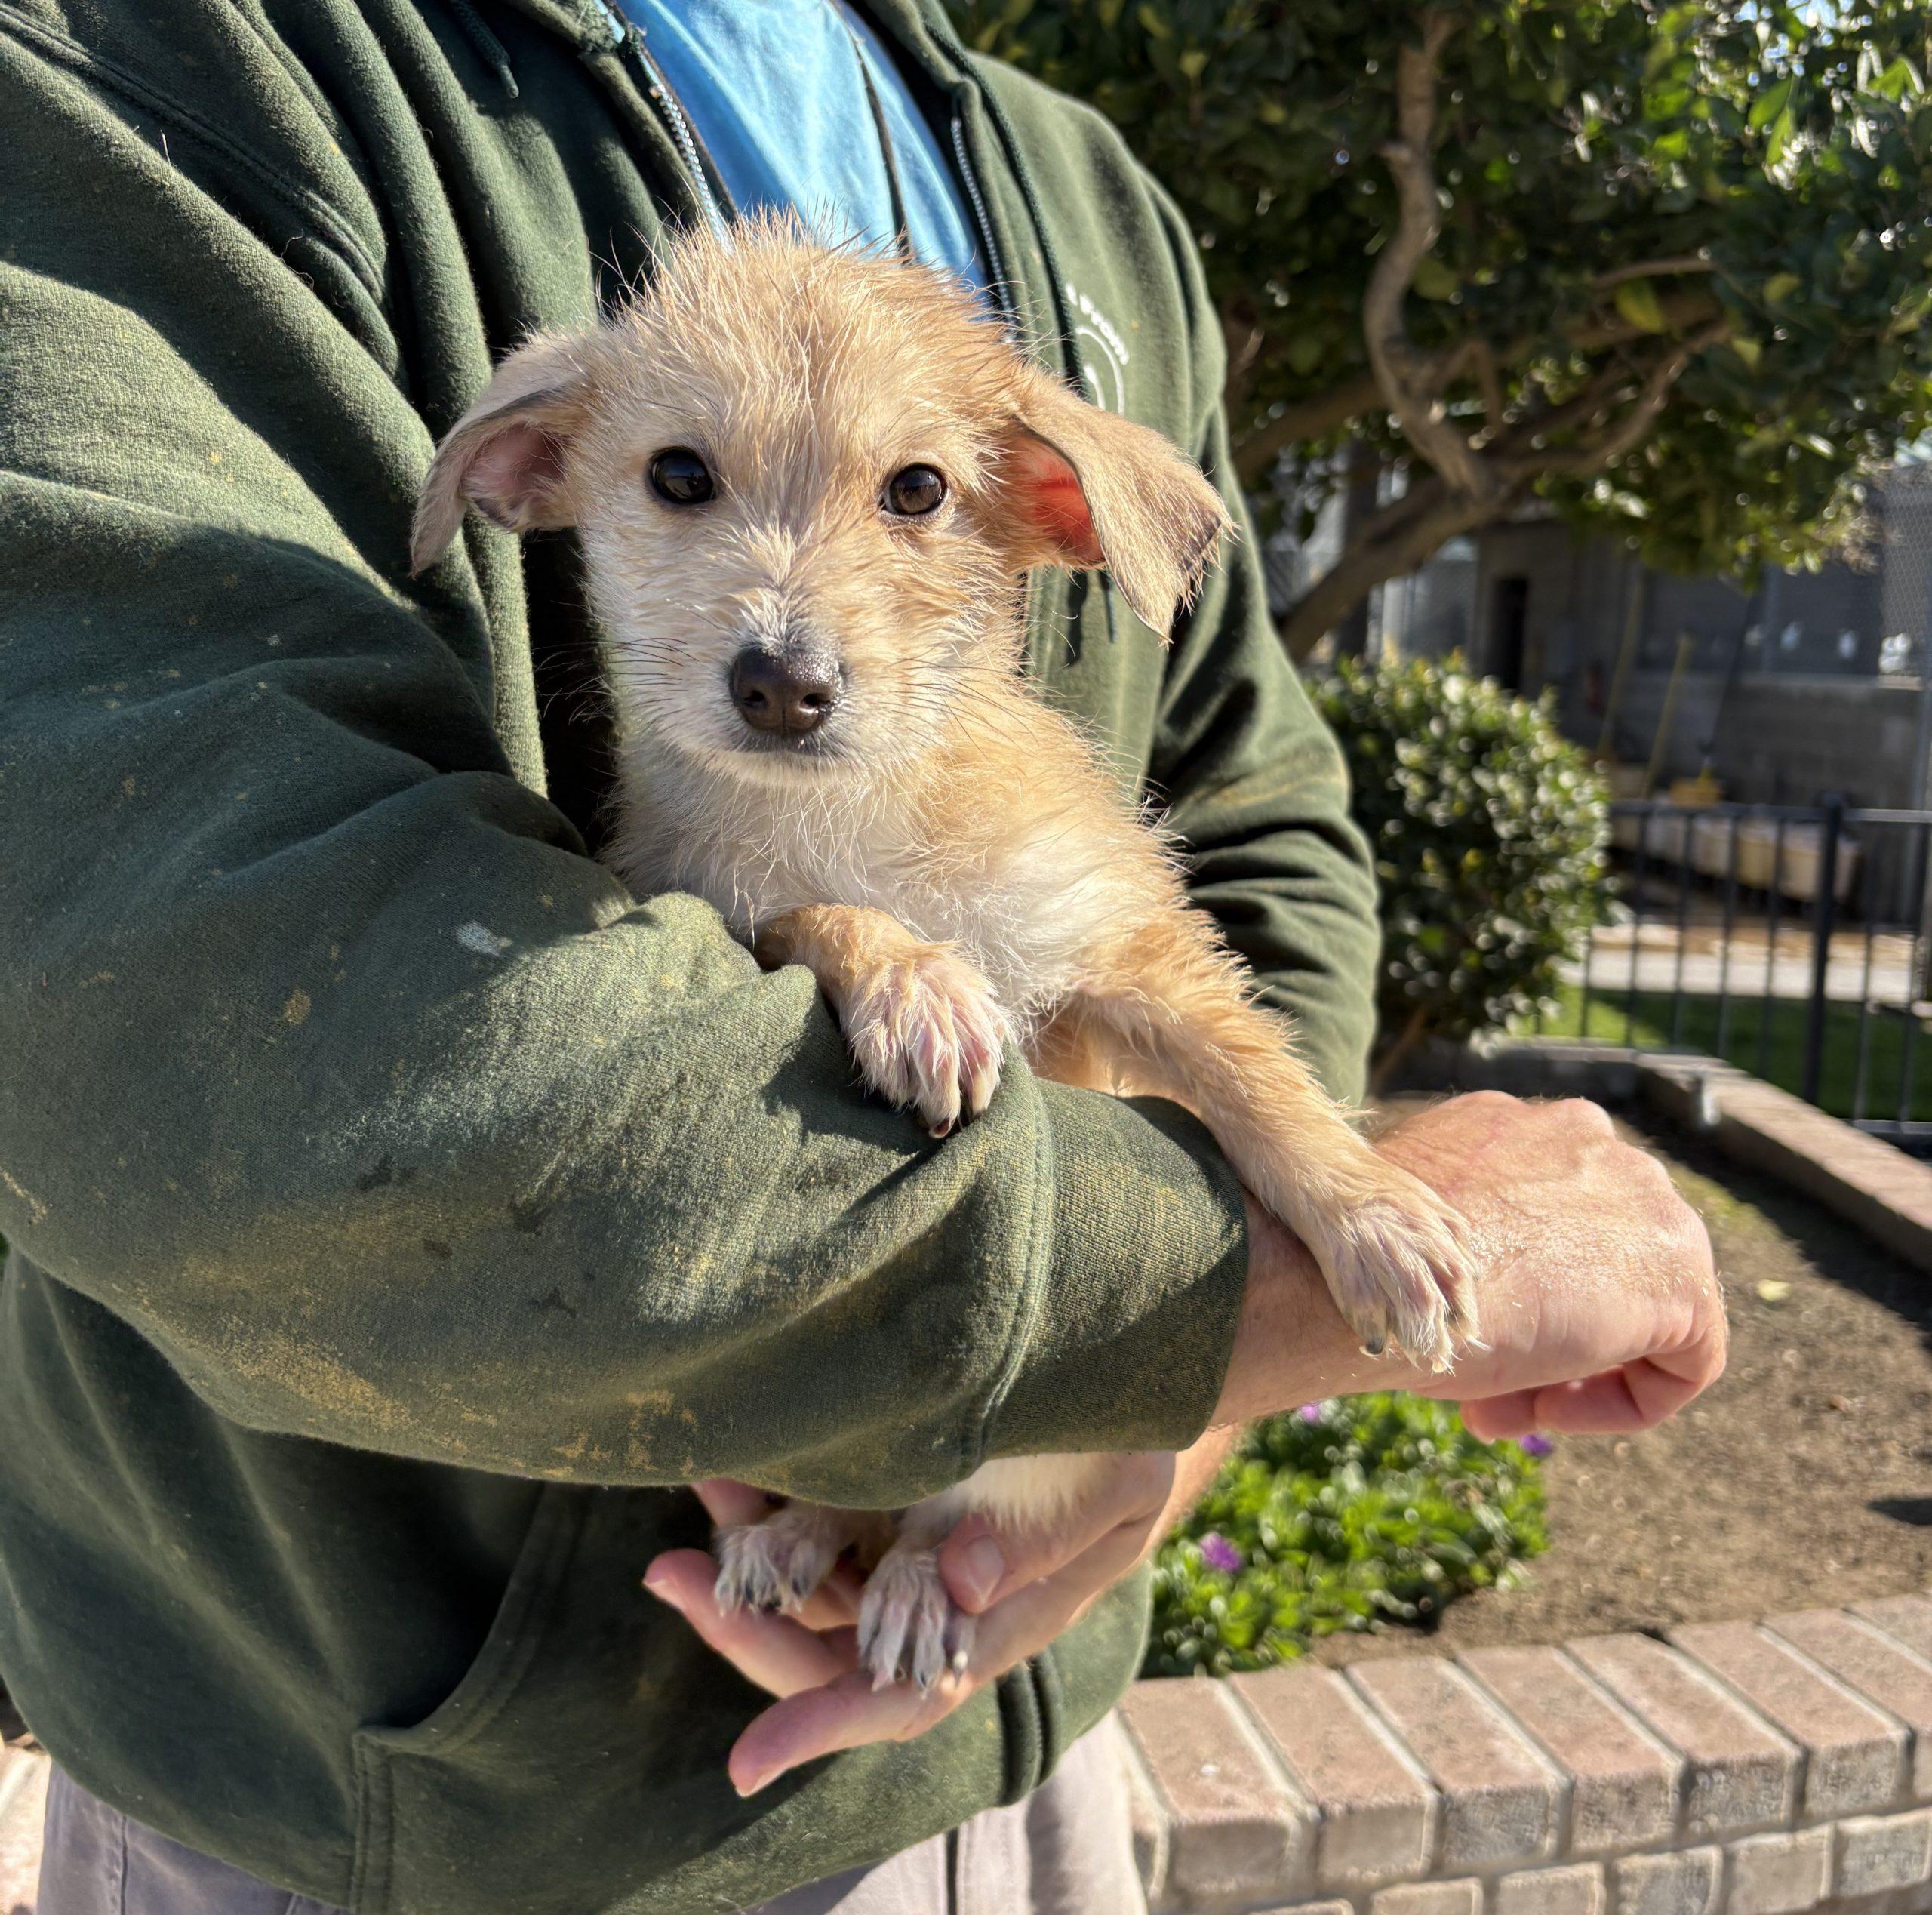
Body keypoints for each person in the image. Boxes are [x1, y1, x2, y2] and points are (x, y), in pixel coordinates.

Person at [0, 2, 1725, 1911]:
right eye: (679, 482)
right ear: (524, 468)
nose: (787, 634)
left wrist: (1172, 1410)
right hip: (406, 1824)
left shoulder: (1083, 191)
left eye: (909, 497)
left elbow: (1252, 823)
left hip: (1034, 1743)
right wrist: (1225, 1307)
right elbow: (210, 1028)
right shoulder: (163, 57)